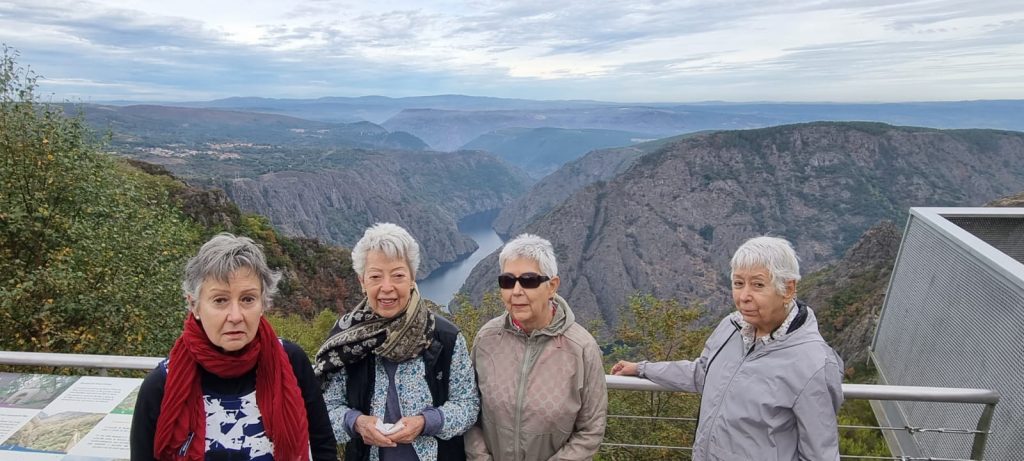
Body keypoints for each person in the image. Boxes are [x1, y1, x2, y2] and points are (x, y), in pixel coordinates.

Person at [611, 236, 845, 461]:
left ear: (788, 289)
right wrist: (642, 369)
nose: (744, 296)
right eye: (738, 283)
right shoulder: (731, 327)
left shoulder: (814, 364)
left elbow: (820, 454)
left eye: (758, 285)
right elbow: (703, 373)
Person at [130, 233, 337, 461]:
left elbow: (322, 444)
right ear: (195, 305)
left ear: (262, 303)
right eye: (220, 300)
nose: (236, 316)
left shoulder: (291, 361)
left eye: (248, 299)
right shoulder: (161, 385)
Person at [315, 222, 479, 461]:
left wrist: (426, 422)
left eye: (398, 275)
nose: (387, 287)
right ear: (362, 281)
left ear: (412, 278)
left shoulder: (445, 338)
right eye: (375, 276)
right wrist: (356, 423)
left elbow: (468, 406)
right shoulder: (346, 341)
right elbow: (324, 409)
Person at [465, 233, 607, 461]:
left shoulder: (581, 348)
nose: (516, 291)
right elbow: (469, 409)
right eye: (507, 281)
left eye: (529, 281)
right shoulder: (487, 339)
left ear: (552, 286)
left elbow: (591, 430)